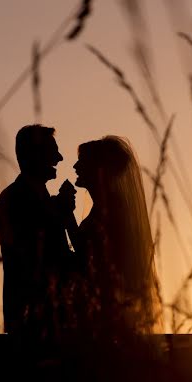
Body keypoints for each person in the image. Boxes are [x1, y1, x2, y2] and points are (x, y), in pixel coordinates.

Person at [68, 136, 161, 335]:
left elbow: (89, 254)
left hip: (106, 313)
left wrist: (66, 216)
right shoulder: (104, 204)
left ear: (98, 169)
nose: (75, 166)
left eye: (82, 161)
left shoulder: (111, 208)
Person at [0, 125, 75, 338]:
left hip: (57, 319)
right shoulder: (14, 200)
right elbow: (34, 258)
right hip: (32, 322)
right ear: (33, 155)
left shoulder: (44, 198)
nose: (59, 158)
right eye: (52, 151)